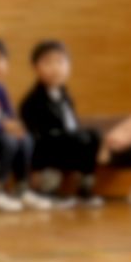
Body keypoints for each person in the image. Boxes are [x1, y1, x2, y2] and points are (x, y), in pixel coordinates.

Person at [0, 37, 50, 212]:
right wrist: (1, 127)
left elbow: (11, 117)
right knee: (8, 141)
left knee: (25, 139)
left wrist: (17, 127)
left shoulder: (0, 89)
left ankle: (21, 189)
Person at [20, 40, 102, 209]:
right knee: (76, 139)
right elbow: (37, 136)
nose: (55, 68)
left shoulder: (65, 96)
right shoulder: (32, 101)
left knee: (95, 136)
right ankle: (48, 190)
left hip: (68, 143)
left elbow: (72, 125)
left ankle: (84, 188)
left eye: (60, 62)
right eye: (48, 62)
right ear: (35, 67)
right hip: (46, 150)